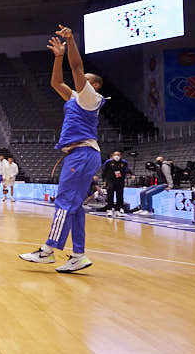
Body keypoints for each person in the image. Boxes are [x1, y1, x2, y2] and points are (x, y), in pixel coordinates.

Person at [20, 25, 105, 273]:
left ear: (94, 86)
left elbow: (77, 68)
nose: (81, 81)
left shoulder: (90, 98)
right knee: (75, 206)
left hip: (82, 153)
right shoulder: (73, 98)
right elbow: (56, 81)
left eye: (87, 81)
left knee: (64, 202)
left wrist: (71, 41)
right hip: (80, 154)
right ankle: (78, 254)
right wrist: (58, 57)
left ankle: (48, 250)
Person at [100, 150, 130, 216]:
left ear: (121, 156)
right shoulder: (108, 162)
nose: (117, 156)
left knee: (120, 196)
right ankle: (109, 210)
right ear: (112, 156)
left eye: (118, 155)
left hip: (120, 181)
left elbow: (127, 170)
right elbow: (104, 171)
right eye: (115, 155)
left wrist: (131, 174)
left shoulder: (124, 162)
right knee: (110, 195)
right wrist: (104, 181)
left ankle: (118, 210)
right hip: (110, 180)